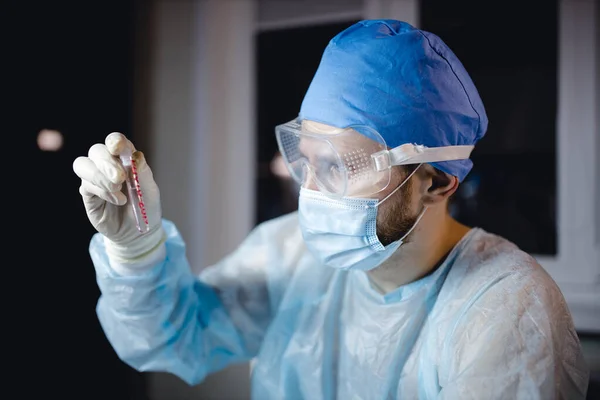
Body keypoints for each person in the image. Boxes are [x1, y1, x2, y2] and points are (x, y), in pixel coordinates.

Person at [73, 20, 589, 399]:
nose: (311, 192)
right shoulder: (288, 253)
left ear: (435, 181)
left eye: (341, 166)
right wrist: (135, 249)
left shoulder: (508, 309)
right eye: (307, 162)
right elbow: (175, 338)